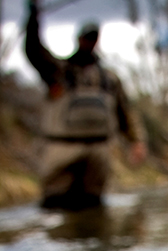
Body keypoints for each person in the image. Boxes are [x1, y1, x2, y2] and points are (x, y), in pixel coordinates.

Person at [25, 1, 146, 210]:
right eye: (86, 37)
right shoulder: (58, 72)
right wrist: (33, 20)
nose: (90, 41)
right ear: (78, 39)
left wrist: (136, 141)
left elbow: (125, 113)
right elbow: (34, 51)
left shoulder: (109, 79)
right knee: (54, 205)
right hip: (62, 149)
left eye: (93, 37)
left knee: (94, 207)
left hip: (98, 152)